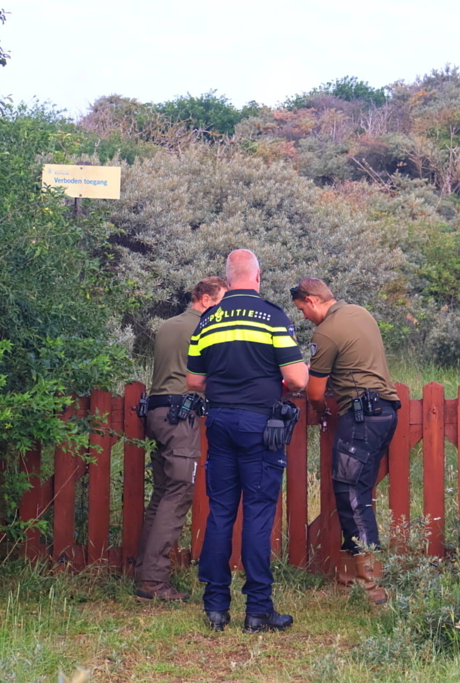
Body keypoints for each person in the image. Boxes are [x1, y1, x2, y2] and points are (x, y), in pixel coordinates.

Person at [187, 250, 308, 633]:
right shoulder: (273, 316)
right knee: (257, 513)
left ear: (228, 277)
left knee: (221, 511)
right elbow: (299, 379)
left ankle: (216, 608)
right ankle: (258, 610)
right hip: (261, 424)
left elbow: (193, 381)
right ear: (257, 276)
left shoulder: (209, 318)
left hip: (220, 420)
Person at [291, 277, 399, 604]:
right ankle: (347, 581)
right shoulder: (360, 313)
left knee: (352, 498)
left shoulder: (325, 332)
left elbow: (315, 390)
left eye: (302, 310)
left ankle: (373, 588)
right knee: (354, 494)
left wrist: (321, 409)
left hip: (361, 417)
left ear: (311, 300)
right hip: (385, 413)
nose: (304, 317)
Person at [133, 277, 228, 601]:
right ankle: (153, 581)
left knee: (161, 495)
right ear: (204, 298)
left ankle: (145, 572)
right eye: (220, 301)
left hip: (157, 414)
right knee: (177, 496)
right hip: (180, 418)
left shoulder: (168, 326)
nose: (223, 309)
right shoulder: (202, 328)